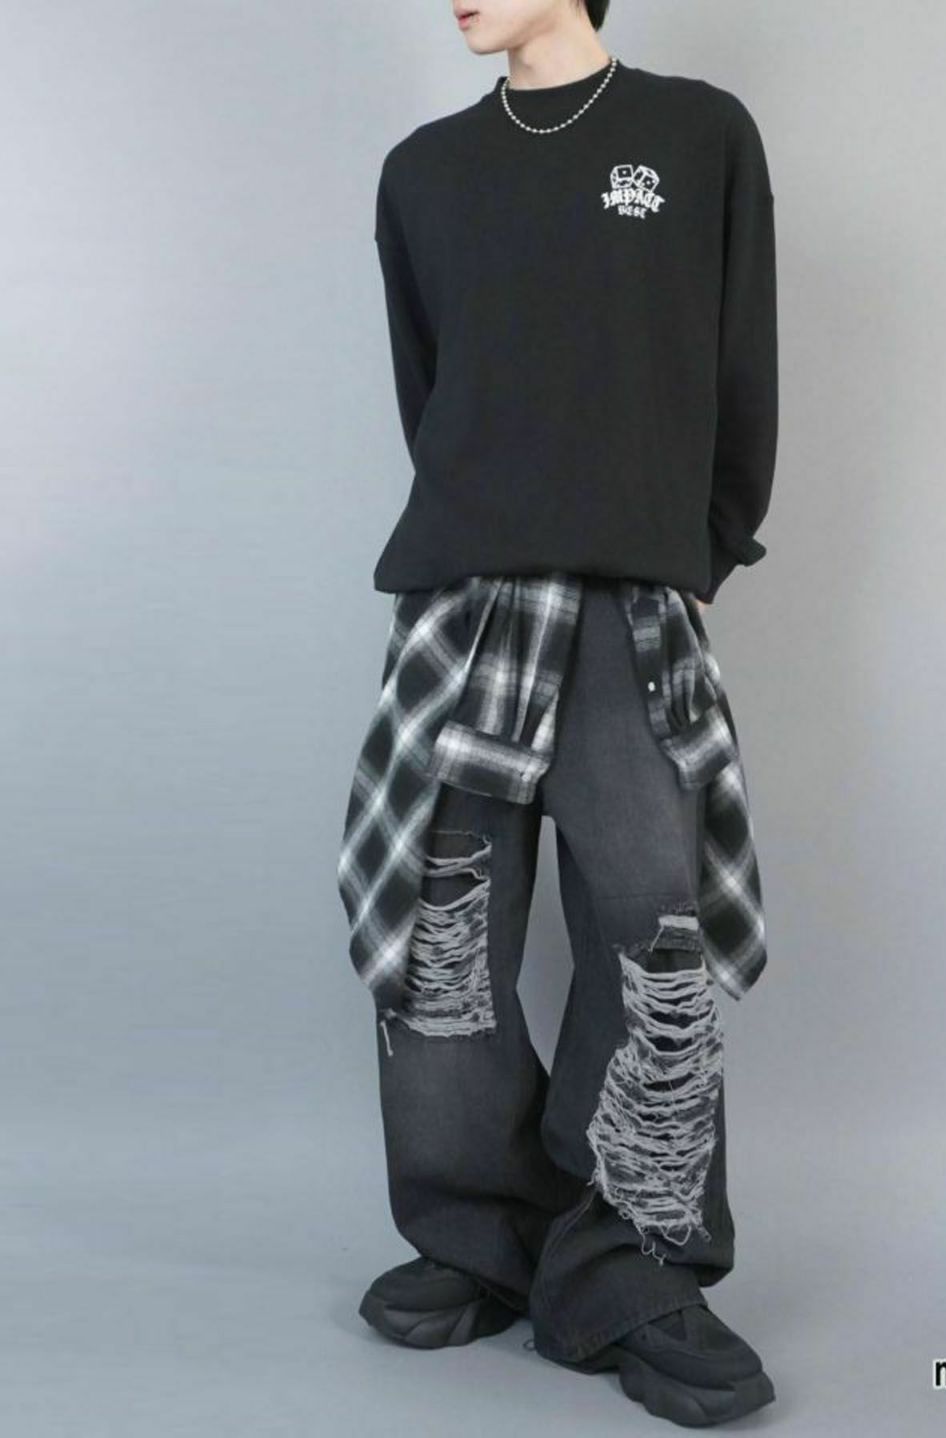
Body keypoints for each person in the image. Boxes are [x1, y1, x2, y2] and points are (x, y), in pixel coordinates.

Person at [336, 0, 779, 1425]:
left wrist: (691, 552)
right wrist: (487, 527)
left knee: (653, 922)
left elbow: (739, 374)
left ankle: (632, 1257)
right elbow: (432, 393)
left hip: (626, 599)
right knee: (445, 936)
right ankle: (481, 1231)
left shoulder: (697, 136)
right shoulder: (423, 172)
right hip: (467, 600)